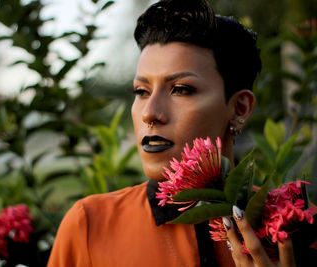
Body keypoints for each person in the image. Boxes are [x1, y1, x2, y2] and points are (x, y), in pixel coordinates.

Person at [47, 0, 300, 266]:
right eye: (141, 91)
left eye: (180, 89)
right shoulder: (89, 225)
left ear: (239, 107)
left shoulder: (294, 227)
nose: (150, 113)